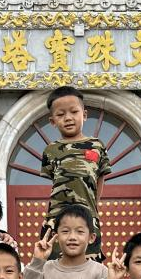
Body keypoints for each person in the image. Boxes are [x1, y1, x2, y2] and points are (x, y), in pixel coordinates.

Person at [40, 86, 110, 256]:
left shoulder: (97, 146)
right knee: (54, 263)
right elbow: (54, 182)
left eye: (74, 112)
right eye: (60, 114)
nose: (68, 118)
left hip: (87, 216)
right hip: (57, 218)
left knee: (90, 263)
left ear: (84, 115)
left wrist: (93, 205)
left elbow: (100, 178)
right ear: (52, 121)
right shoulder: (50, 150)